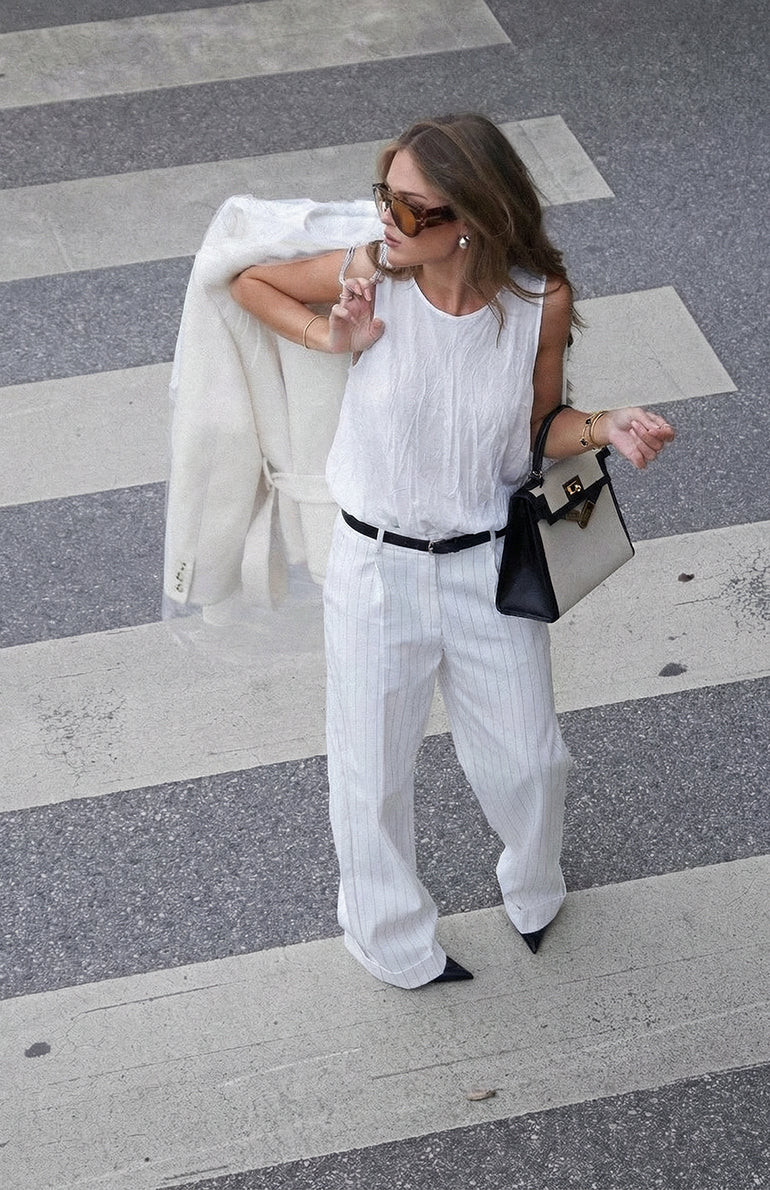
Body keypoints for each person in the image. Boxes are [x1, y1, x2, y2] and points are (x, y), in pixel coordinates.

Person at [229, 113, 674, 989]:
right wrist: (334, 336)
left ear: (470, 215)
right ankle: (388, 938)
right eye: (385, 196)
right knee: (371, 772)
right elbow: (249, 282)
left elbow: (543, 423)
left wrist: (606, 426)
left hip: (487, 565)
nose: (389, 219)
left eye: (411, 207)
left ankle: (534, 887)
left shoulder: (539, 298)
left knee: (530, 759)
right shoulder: (372, 274)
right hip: (375, 567)